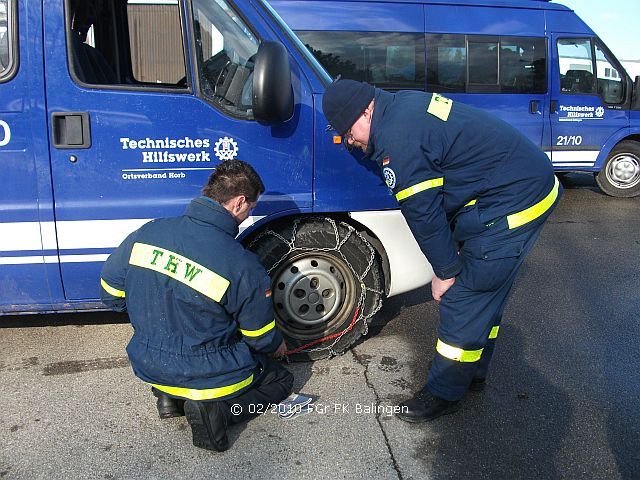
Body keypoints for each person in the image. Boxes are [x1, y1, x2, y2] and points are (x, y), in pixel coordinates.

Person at [322, 80, 562, 422]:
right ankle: (472, 371)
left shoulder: (398, 139)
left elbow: (424, 213)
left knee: (465, 297)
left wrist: (445, 272)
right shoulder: (400, 105)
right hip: (523, 186)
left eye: (348, 131)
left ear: (366, 111)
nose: (349, 141)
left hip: (514, 203)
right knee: (485, 297)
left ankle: (444, 392)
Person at [100, 159, 293, 451]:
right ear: (239, 203)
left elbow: (110, 292)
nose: (248, 216)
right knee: (281, 380)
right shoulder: (241, 263)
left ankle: (169, 398)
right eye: (251, 209)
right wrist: (276, 345)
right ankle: (220, 413)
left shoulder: (149, 232)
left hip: (149, 364)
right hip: (208, 373)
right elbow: (259, 337)